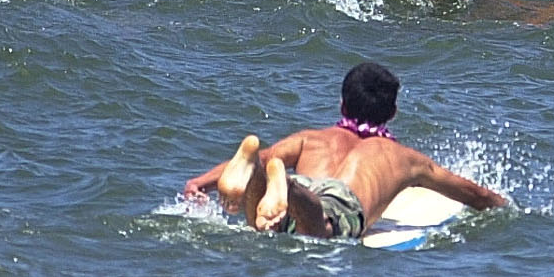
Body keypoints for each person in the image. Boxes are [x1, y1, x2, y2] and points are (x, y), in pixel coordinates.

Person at [183, 63, 506, 241]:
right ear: (392, 113)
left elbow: (270, 156)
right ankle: (289, 187)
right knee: (323, 229)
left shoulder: (311, 139)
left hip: (294, 197)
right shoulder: (403, 159)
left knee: (263, 220)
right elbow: (475, 195)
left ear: (342, 104)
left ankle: (256, 173)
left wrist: (200, 182)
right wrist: (506, 209)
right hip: (333, 202)